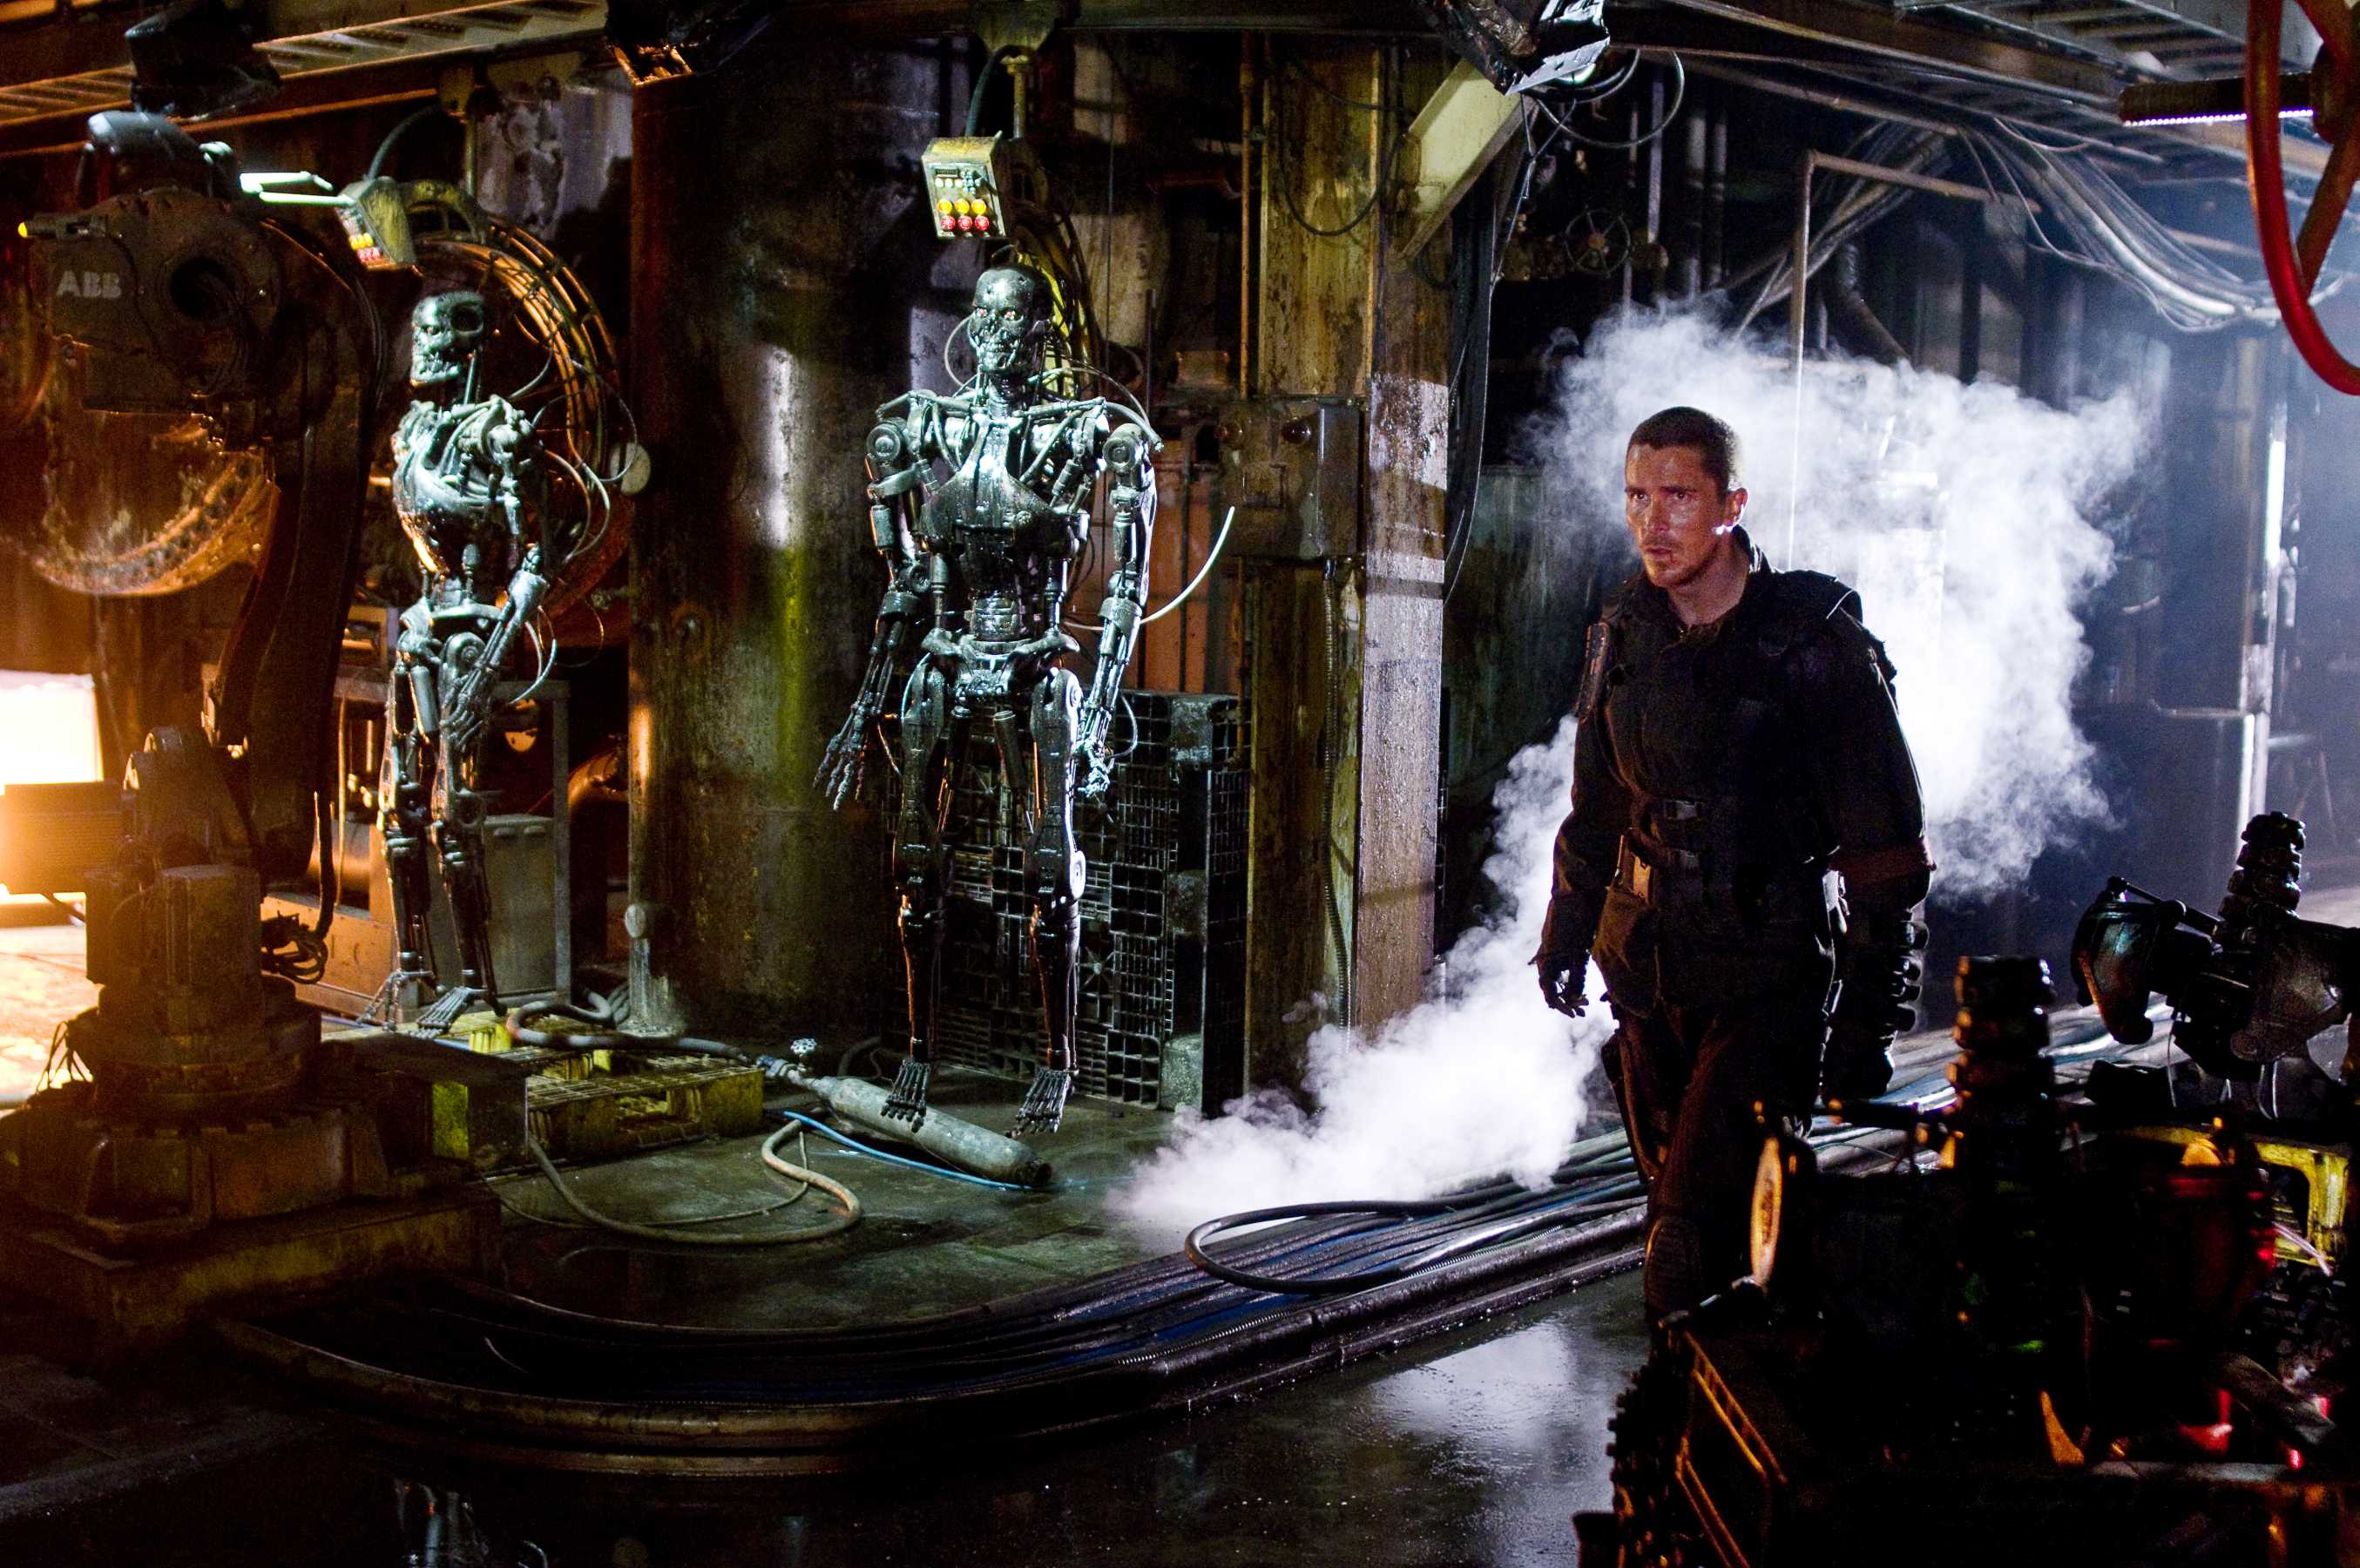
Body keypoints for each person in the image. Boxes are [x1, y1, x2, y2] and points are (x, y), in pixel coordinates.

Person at [1533, 406, 1931, 1321]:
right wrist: (1566, 931)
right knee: (1701, 1235)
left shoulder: (1812, 643)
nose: (1653, 521)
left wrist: (1866, 1025)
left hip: (1765, 979)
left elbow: (1883, 855)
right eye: (1637, 496)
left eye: (1678, 496)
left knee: (1684, 1241)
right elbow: (1598, 807)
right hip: (1649, 974)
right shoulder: (1623, 632)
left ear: (1731, 505)